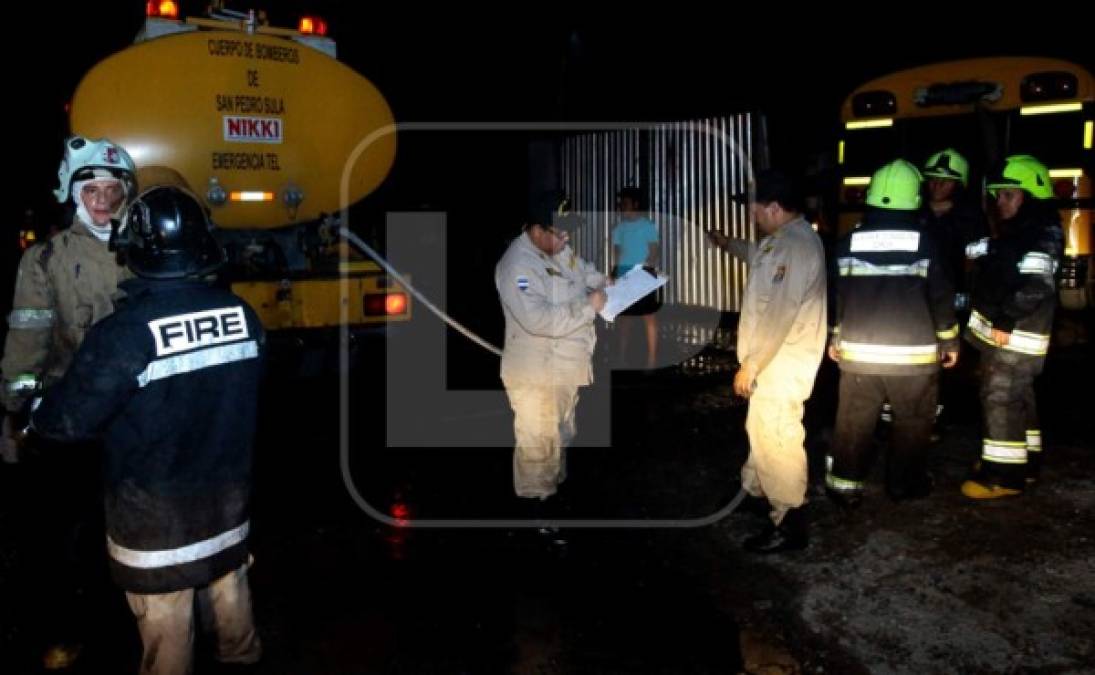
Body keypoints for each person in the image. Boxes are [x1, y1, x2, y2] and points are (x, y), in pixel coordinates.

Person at [30, 185, 266, 675]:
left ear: (136, 249)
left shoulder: (125, 333)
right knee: (234, 617)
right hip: (227, 516)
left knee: (168, 643)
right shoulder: (243, 315)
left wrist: (35, 407)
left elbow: (65, 424)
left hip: (158, 533)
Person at [0, 135, 135, 669]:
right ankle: (65, 632)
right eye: (90, 188)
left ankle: (130, 629)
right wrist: (16, 410)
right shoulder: (45, 258)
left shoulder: (147, 254)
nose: (102, 200)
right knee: (63, 537)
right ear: (71, 193)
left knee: (128, 533)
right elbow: (27, 338)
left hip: (133, 420)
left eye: (112, 189)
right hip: (70, 420)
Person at [826, 159, 958, 508]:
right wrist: (949, 341)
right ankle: (904, 484)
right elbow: (941, 297)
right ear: (914, 198)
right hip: (912, 359)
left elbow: (838, 296)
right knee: (913, 423)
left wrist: (835, 337)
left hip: (859, 356)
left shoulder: (845, 243)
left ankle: (844, 485)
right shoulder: (926, 244)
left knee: (853, 422)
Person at [707, 169, 826, 553]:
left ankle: (789, 522)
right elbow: (758, 257)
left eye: (755, 209)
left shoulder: (793, 246)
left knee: (777, 439)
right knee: (763, 431)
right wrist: (728, 244)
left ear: (773, 207)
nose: (752, 215)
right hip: (776, 361)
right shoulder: (783, 241)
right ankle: (758, 494)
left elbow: (779, 311)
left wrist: (752, 364)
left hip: (781, 362)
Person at [961, 155, 1062, 499]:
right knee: (1020, 397)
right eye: (998, 195)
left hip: (1017, 333)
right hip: (1015, 333)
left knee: (1000, 396)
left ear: (1030, 195)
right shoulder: (1025, 230)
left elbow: (1038, 284)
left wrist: (1005, 319)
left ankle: (1004, 476)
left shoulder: (1040, 233)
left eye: (1008, 195)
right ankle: (1025, 462)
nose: (1000, 202)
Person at [495, 191, 606, 502]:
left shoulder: (557, 249)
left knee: (560, 436)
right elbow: (537, 319)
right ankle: (537, 515)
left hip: (565, 367)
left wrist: (603, 283)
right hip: (537, 373)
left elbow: (582, 270)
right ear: (536, 230)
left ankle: (552, 497)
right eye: (559, 232)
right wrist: (588, 306)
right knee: (538, 446)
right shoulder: (518, 268)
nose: (566, 238)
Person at [611, 186, 661, 369]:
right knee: (625, 318)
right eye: (620, 204)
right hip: (625, 275)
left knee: (648, 316)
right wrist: (617, 275)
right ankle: (622, 358)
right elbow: (617, 253)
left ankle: (652, 360)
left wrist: (644, 270)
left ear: (635, 204)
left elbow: (654, 251)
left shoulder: (647, 226)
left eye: (625, 203)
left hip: (643, 274)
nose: (622, 207)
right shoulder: (619, 228)